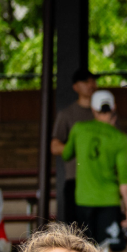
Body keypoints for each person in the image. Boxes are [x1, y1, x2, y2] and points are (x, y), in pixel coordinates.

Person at [69, 91, 127, 250]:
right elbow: (124, 176)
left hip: (83, 198)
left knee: (84, 250)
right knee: (106, 249)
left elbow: (66, 153)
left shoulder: (79, 129)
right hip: (109, 200)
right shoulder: (120, 138)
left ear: (93, 109)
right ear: (114, 108)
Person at [49, 68, 97, 225]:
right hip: (75, 179)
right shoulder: (67, 114)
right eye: (85, 81)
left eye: (92, 80)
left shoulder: (103, 112)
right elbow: (54, 146)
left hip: (100, 179)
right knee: (75, 231)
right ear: (75, 87)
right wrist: (79, 148)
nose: (90, 84)